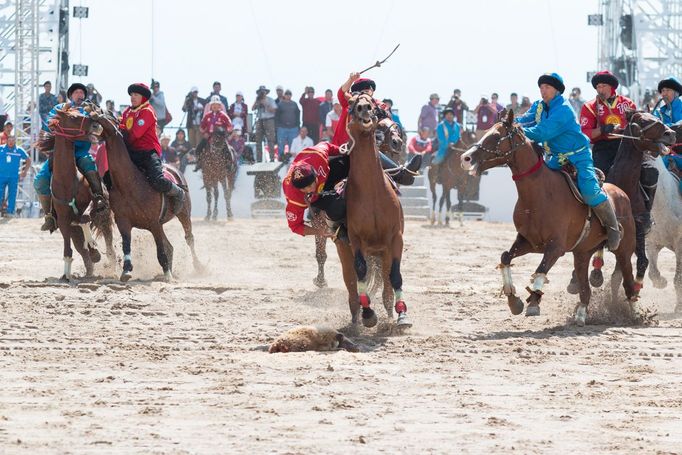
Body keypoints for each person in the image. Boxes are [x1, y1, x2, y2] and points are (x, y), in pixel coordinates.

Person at [515, 72, 621, 250]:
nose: (543, 90)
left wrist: (515, 132)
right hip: (555, 158)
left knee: (590, 191)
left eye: (547, 87)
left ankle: (613, 229)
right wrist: (509, 122)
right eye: (541, 87)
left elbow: (541, 132)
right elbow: (525, 120)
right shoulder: (539, 106)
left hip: (578, 156)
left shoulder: (564, 109)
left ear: (557, 90)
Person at [283, 139, 420, 241]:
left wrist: (343, 150)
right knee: (335, 207)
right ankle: (341, 231)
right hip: (318, 198)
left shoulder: (317, 155)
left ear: (315, 174)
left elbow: (329, 146)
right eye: (304, 188)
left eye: (310, 184)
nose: (308, 189)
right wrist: (319, 231)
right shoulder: (294, 198)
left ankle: (402, 175)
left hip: (328, 176)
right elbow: (295, 226)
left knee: (362, 148)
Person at [34, 83, 106, 231]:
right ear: (71, 95)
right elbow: (47, 126)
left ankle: (99, 199)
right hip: (60, 154)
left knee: (89, 164)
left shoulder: (90, 111)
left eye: (82, 92)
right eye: (76, 92)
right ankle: (50, 216)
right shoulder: (60, 109)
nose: (80, 94)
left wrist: (95, 117)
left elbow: (100, 130)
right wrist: (55, 123)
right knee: (39, 181)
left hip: (80, 153)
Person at [331, 72, 422, 175]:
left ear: (372, 92)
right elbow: (341, 93)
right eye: (361, 91)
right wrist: (351, 80)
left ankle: (400, 174)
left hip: (367, 147)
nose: (364, 93)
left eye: (367, 90)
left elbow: (386, 121)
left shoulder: (380, 105)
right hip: (343, 147)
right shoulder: (349, 101)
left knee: (375, 154)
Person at [120, 82, 185, 213]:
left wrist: (120, 132)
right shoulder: (127, 111)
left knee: (157, 180)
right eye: (131, 94)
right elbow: (121, 125)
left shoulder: (147, 111)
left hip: (147, 152)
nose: (132, 97)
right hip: (131, 152)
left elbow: (135, 134)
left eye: (136, 94)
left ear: (143, 97)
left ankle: (178, 192)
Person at [196, 95, 233, 170]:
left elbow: (230, 126)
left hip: (220, 138)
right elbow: (201, 127)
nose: (214, 106)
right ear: (210, 106)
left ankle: (229, 164)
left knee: (227, 150)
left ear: (219, 106)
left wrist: (225, 132)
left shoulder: (223, 115)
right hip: (209, 136)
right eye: (213, 104)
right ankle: (199, 163)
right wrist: (204, 133)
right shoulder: (207, 116)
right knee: (198, 148)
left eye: (216, 104)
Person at [0, 135, 30, 217]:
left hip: (13, 177)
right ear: (7, 140)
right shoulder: (1, 148)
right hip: (1, 176)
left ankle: (10, 212)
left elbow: (28, 159)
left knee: (12, 194)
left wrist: (25, 171)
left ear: (15, 141)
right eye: (9, 140)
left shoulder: (19, 150)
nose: (11, 142)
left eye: (13, 140)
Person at [252, 85, 277, 161]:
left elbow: (274, 110)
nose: (262, 93)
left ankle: (272, 158)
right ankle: (259, 160)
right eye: (260, 92)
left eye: (263, 92)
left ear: (266, 92)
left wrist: (266, 104)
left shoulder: (270, 100)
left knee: (270, 140)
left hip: (269, 120)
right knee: (258, 141)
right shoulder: (258, 100)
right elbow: (252, 108)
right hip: (260, 120)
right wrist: (257, 101)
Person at [275, 89, 300, 160]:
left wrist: (298, 126)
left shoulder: (294, 104)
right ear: (284, 95)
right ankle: (281, 158)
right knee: (281, 145)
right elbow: (276, 116)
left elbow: (298, 114)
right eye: (286, 94)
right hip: (282, 128)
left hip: (293, 128)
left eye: (289, 94)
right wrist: (277, 126)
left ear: (291, 95)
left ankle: (291, 159)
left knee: (292, 145)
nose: (288, 95)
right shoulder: (280, 104)